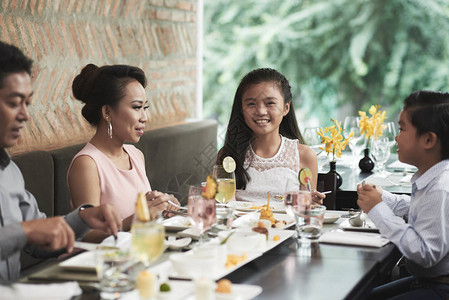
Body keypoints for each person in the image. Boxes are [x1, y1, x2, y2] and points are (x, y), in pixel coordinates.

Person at [0, 42, 121, 283]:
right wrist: (25, 232)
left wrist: (84, 217)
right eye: (14, 103)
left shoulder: (10, 172)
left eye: (28, 103)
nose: (24, 115)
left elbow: (39, 237)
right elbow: (29, 231)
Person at [68, 63, 179, 243]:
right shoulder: (87, 163)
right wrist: (135, 219)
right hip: (103, 263)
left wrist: (164, 207)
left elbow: (144, 220)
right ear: (107, 112)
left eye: (145, 108)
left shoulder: (136, 155)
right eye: (136, 107)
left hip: (140, 253)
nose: (144, 117)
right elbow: (86, 235)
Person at [357, 90, 449, 299]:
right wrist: (385, 199)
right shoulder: (435, 178)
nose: (396, 137)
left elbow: (424, 253)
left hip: (441, 288)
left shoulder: (441, 187)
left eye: (402, 129)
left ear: (428, 140)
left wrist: (377, 209)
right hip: (427, 281)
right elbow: (422, 210)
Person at [217, 68, 325, 203]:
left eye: (270, 103)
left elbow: (304, 212)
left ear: (286, 107)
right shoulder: (228, 156)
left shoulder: (304, 155)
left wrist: (312, 205)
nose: (261, 111)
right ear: (241, 109)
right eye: (251, 104)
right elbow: (224, 209)